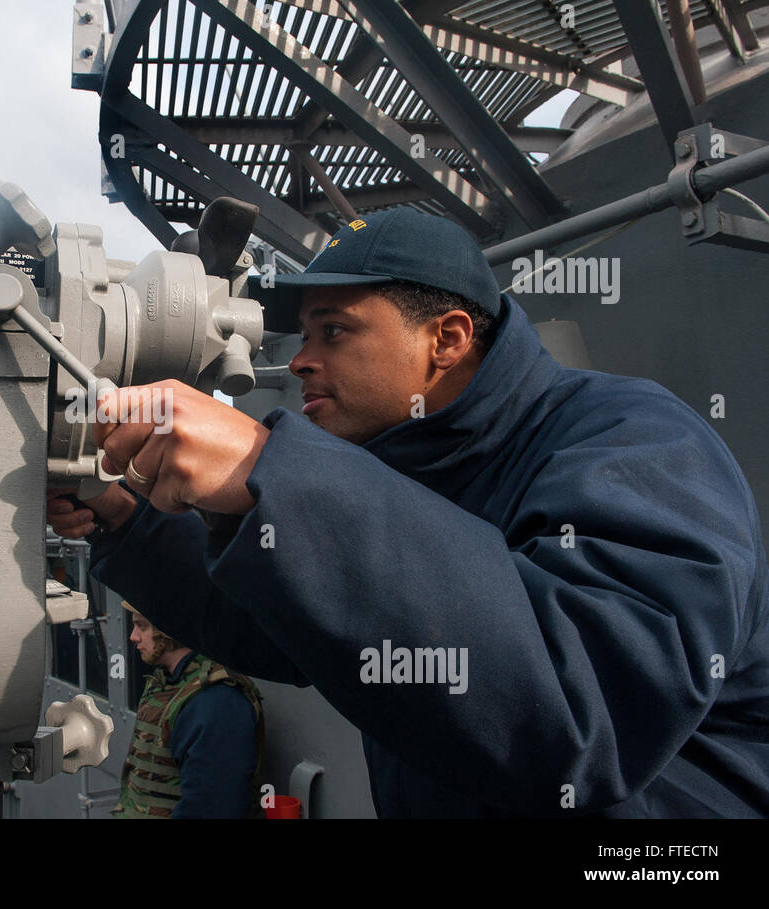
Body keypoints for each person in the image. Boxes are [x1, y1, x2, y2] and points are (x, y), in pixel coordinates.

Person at [47, 208, 769, 818]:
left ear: (447, 340)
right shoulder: (403, 464)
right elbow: (285, 632)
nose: (299, 360)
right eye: (303, 335)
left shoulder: (637, 440)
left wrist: (272, 474)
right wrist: (123, 516)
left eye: (334, 330)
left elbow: (585, 711)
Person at [114, 602, 262, 818]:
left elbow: (213, 808)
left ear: (168, 628)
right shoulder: (167, 684)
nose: (134, 637)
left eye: (142, 626)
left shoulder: (216, 702)